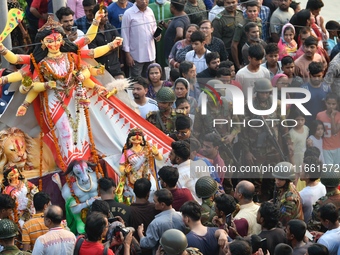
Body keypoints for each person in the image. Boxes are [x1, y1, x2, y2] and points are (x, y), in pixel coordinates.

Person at [0, 11, 126, 171]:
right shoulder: (41, 63)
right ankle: (69, 162)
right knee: (64, 129)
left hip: (75, 98)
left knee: (79, 129)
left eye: (58, 39)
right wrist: (3, 48)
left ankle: (82, 159)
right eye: (50, 41)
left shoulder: (71, 56)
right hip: (54, 101)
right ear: (43, 43)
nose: (55, 43)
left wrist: (106, 37)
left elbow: (89, 43)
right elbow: (20, 66)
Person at [240, 79, 293, 201]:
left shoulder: (277, 105)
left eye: (267, 93)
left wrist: (289, 144)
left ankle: (270, 201)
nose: (264, 95)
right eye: (261, 93)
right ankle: (256, 202)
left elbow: (283, 126)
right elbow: (244, 132)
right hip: (255, 150)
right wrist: (247, 151)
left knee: (272, 179)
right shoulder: (248, 106)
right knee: (256, 180)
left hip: (273, 149)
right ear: (256, 92)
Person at [116, 128, 162, 204]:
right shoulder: (127, 152)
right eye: (133, 138)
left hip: (147, 176)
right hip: (133, 178)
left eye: (139, 138)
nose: (136, 140)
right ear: (129, 139)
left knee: (152, 191)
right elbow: (121, 166)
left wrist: (156, 153)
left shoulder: (148, 148)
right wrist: (124, 170)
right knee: (135, 196)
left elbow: (160, 159)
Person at [138, 189, 185, 254]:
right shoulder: (182, 216)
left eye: (155, 202)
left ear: (162, 204)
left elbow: (148, 244)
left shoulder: (156, 223)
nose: (153, 203)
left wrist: (140, 234)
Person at [121, 0, 160, 78]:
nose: (144, 1)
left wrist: (157, 35)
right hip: (136, 56)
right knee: (136, 81)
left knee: (151, 79)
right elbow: (124, 35)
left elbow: (154, 28)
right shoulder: (128, 13)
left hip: (150, 54)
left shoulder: (150, 11)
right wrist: (127, 55)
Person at [88, 4, 121, 76]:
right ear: (95, 16)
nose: (106, 18)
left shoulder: (111, 27)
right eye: (104, 16)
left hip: (115, 68)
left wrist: (103, 49)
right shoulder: (91, 32)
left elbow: (120, 43)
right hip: (100, 70)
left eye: (107, 16)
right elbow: (94, 53)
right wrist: (112, 47)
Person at [231, 1, 262, 71]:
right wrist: (238, 65)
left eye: (254, 11)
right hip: (246, 55)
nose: (252, 14)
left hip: (259, 55)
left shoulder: (259, 21)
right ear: (246, 12)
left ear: (258, 11)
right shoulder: (241, 25)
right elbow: (234, 45)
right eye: (250, 11)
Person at [272, 162, 304, 226]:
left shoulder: (290, 199)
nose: (277, 181)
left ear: (287, 180)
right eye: (276, 178)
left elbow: (284, 222)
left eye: (280, 179)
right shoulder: (285, 187)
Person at [299, 156, 326, 222]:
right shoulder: (323, 187)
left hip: (307, 227)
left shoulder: (301, 195)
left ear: (307, 176)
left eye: (302, 169)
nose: (299, 170)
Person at [316, 93, 340, 164]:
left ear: (337, 104)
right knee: (328, 171)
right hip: (325, 147)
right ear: (325, 103)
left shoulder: (339, 116)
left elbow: (334, 132)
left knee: (337, 171)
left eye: (333, 104)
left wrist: (332, 117)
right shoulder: (320, 115)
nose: (331, 106)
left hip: (337, 147)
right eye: (329, 104)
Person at [288, 109, 309, 179]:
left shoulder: (306, 129)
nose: (300, 122)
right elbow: (290, 151)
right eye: (297, 120)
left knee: (303, 176)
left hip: (304, 157)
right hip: (296, 159)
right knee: (296, 177)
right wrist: (292, 164)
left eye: (302, 120)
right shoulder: (292, 133)